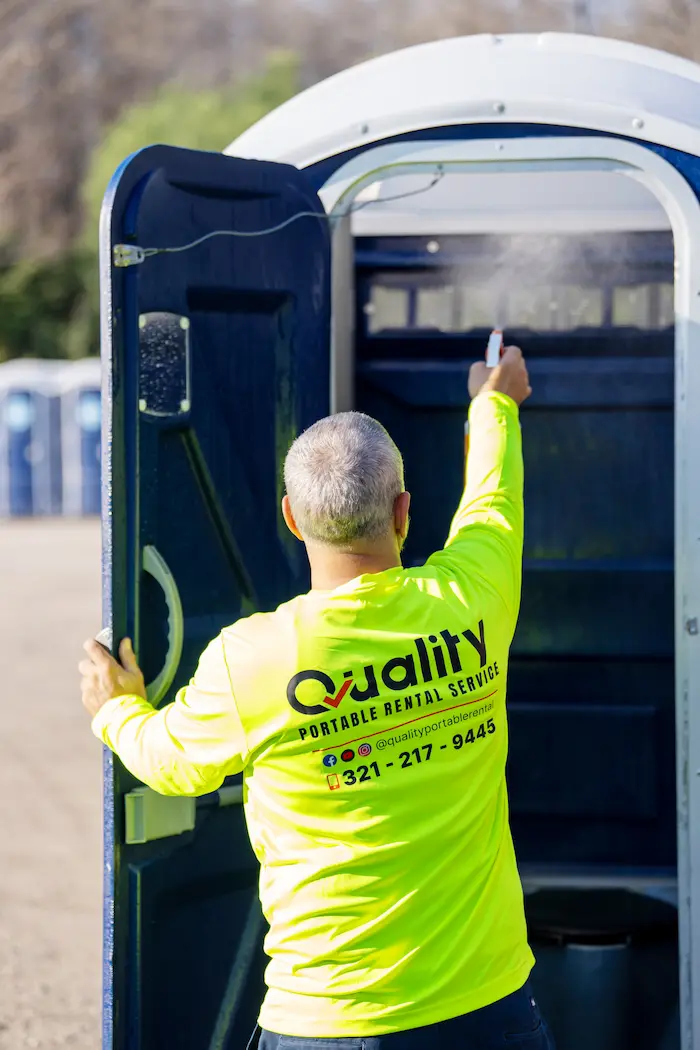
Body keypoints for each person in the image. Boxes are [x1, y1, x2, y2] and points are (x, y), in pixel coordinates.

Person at [79, 345, 555, 1050]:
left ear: (293, 520)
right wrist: (494, 402)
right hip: (488, 1011)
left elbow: (174, 763)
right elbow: (492, 499)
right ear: (403, 513)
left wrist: (115, 706)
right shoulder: (472, 597)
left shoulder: (253, 660)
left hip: (330, 1025)